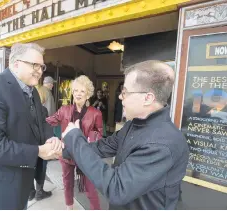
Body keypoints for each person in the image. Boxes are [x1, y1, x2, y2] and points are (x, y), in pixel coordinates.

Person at [61, 60, 190, 210]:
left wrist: (74, 138)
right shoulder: (134, 124)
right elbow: (104, 146)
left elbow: (117, 188)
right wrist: (64, 148)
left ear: (148, 98)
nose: (121, 97)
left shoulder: (162, 143)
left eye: (125, 92)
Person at [0, 43, 63, 210]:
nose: (40, 70)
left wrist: (52, 139)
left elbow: (41, 121)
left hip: (23, 180)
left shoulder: (33, 91)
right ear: (15, 64)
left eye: (42, 66)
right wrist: (38, 151)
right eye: (34, 65)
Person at [46, 75, 102, 210]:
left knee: (90, 187)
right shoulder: (64, 109)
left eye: (82, 91)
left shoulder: (95, 113)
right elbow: (48, 122)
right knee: (67, 183)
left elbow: (99, 131)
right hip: (66, 154)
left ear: (88, 95)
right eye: (76, 90)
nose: (78, 94)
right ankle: (69, 207)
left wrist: (91, 137)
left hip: (85, 154)